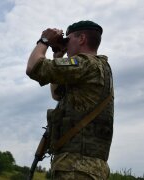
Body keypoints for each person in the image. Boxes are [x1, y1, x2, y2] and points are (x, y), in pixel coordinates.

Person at [26, 20, 114, 180]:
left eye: (68, 39)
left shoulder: (86, 64)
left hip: (76, 169)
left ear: (81, 39)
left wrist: (44, 40)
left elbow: (33, 68)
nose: (66, 44)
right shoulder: (99, 67)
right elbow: (57, 95)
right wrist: (58, 55)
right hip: (88, 169)